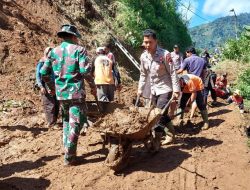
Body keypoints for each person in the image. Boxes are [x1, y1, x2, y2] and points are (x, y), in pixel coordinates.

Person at [40, 24, 96, 166]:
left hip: (61, 94)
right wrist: (92, 85)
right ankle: (69, 157)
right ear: (73, 36)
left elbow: (44, 72)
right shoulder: (80, 50)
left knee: (66, 121)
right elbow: (84, 71)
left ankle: (67, 150)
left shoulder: (53, 52)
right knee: (75, 123)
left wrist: (51, 87)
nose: (77, 40)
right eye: (76, 37)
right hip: (76, 93)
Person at [137, 29, 180, 145]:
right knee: (161, 113)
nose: (147, 45)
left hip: (166, 88)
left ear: (156, 41)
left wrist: (176, 90)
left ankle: (156, 142)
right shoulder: (143, 57)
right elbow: (143, 74)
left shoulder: (165, 54)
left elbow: (173, 72)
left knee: (158, 114)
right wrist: (140, 89)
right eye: (145, 42)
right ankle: (171, 134)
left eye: (150, 42)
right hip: (153, 90)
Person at [36, 47, 59, 128]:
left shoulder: (54, 62)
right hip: (46, 85)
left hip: (55, 85)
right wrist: (41, 86)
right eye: (49, 52)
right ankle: (51, 123)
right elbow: (38, 75)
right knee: (49, 104)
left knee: (56, 104)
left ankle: (54, 121)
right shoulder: (42, 62)